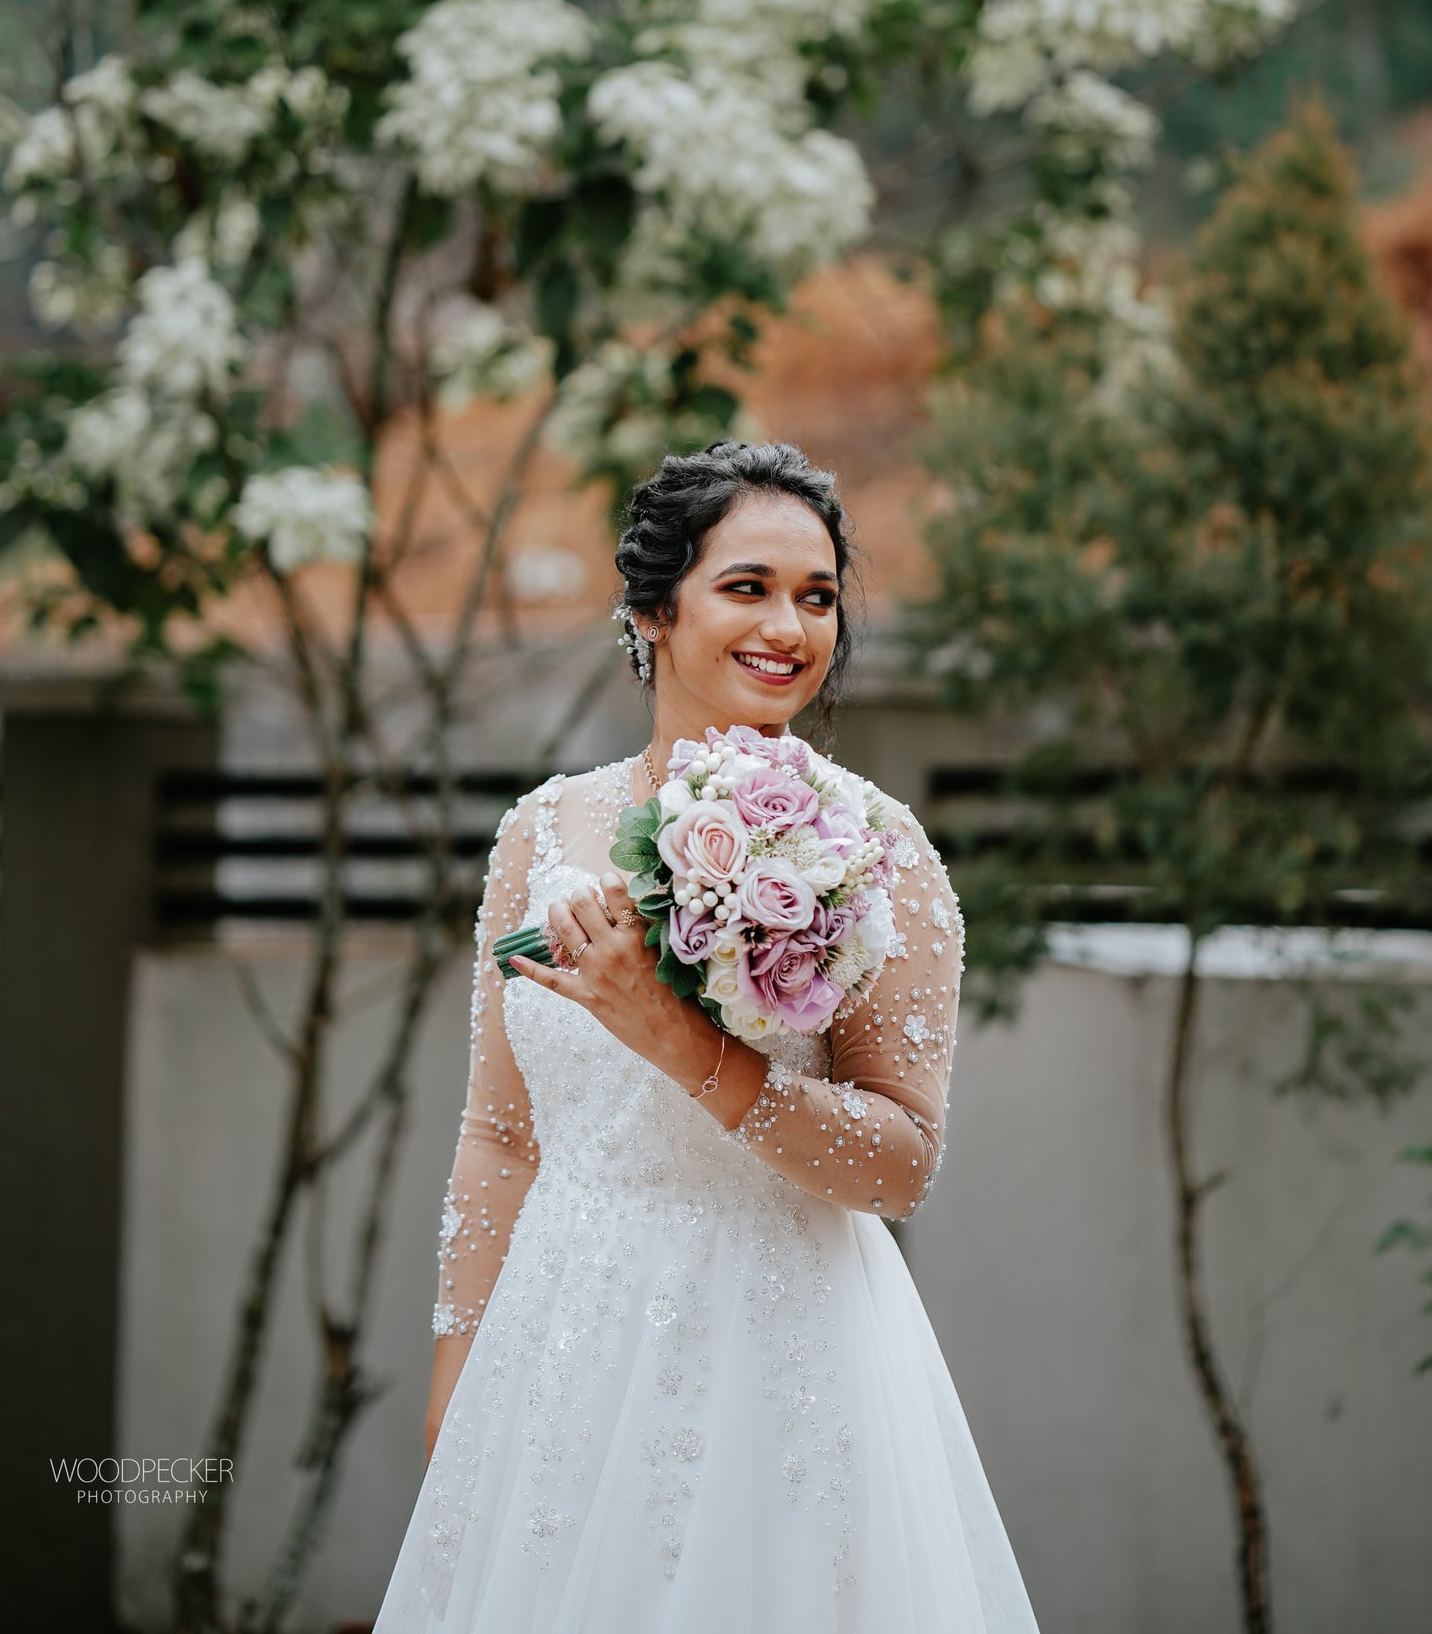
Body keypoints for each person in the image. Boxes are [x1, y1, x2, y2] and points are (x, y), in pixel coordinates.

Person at [374, 441, 1041, 1631]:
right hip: (556, 1348)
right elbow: (500, 1131)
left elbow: (900, 1160)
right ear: (651, 610)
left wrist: (677, 1039)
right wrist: (456, 1372)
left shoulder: (877, 853)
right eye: (748, 586)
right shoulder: (542, 832)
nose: (788, 624)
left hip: (777, 1358)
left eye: (817, 595)